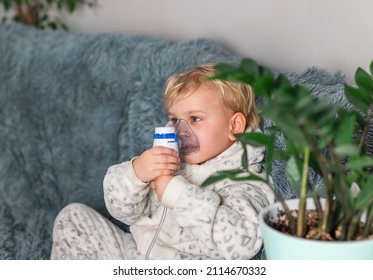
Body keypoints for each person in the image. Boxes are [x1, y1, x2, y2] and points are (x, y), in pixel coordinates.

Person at [50, 63, 275, 260]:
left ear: (234, 126)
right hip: (135, 256)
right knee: (73, 217)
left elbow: (240, 243)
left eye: (195, 119)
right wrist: (136, 174)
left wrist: (178, 194)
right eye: (175, 119)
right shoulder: (172, 162)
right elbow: (126, 213)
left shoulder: (246, 181)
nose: (181, 130)